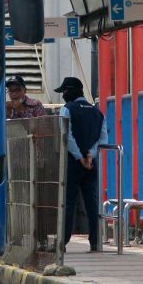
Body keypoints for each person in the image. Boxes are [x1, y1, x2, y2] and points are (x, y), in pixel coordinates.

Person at [55, 76, 107, 252]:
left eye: (64, 91)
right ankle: (95, 240)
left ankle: (63, 241)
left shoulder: (67, 110)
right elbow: (103, 139)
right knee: (92, 202)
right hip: (91, 164)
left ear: (70, 91)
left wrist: (79, 157)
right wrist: (90, 156)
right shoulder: (98, 112)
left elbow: (66, 136)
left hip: (72, 162)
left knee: (68, 201)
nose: (63, 95)